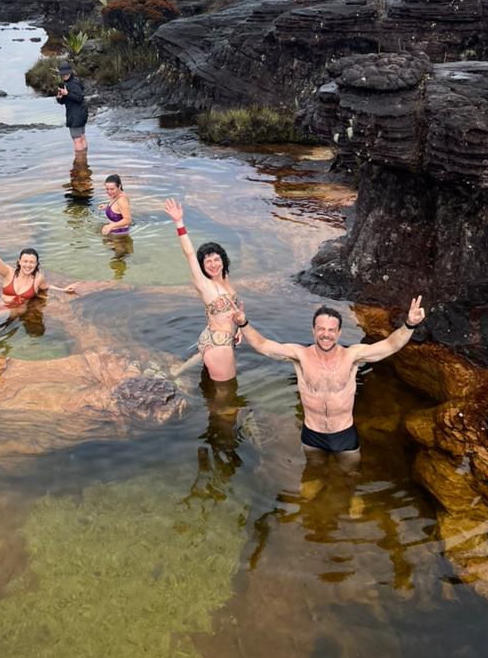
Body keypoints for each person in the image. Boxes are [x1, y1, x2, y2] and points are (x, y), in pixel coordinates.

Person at [238, 298, 426, 470]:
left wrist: (409, 325)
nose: (325, 334)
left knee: (350, 474)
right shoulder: (300, 355)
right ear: (313, 330)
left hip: (343, 434)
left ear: (339, 332)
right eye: (321, 329)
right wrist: (243, 324)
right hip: (312, 434)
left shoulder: (352, 356)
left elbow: (390, 345)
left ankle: (349, 500)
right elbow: (263, 345)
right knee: (314, 471)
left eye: (331, 330)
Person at [164, 197, 247, 383]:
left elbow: (232, 305)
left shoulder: (225, 279)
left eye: (216, 259)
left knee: (214, 381)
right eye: (207, 261)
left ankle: (178, 371)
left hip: (211, 338)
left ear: (223, 260)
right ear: (202, 266)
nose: (213, 264)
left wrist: (239, 328)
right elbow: (190, 253)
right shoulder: (204, 284)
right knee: (227, 392)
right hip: (220, 345)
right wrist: (179, 222)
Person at [0, 221, 77, 339]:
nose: (28, 265)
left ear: (37, 263)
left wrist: (63, 290)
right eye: (25, 261)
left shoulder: (38, 278)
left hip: (16, 309)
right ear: (19, 262)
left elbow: (46, 287)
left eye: (32, 262)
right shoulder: (9, 273)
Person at [56, 61, 88, 153]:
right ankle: (84, 161)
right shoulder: (71, 82)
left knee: (77, 139)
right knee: (81, 137)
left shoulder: (72, 83)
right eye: (62, 74)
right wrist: (59, 97)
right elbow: (64, 101)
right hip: (80, 113)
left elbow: (79, 98)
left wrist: (67, 93)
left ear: (70, 72)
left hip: (76, 115)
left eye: (66, 74)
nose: (64, 76)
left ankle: (79, 164)